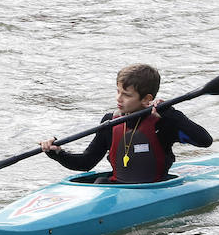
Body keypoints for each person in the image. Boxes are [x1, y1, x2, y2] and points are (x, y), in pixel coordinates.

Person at [39, 64, 212, 183]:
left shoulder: (164, 121)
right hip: (117, 188)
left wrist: (172, 113)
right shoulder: (110, 122)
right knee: (100, 182)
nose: (119, 99)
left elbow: (204, 141)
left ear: (147, 99)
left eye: (127, 95)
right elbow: (86, 163)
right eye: (118, 91)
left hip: (155, 189)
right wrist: (58, 153)